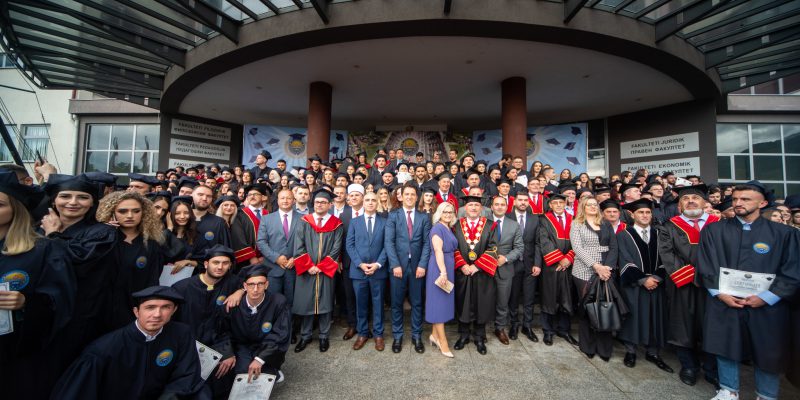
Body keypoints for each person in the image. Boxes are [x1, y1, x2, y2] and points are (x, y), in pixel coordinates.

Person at [698, 181, 800, 400]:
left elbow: (792, 270)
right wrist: (720, 293)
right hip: (725, 300)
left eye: (745, 199)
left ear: (762, 203)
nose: (738, 203)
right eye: (735, 199)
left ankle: (766, 395)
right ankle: (728, 390)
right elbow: (706, 265)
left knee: (768, 349)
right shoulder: (714, 230)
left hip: (767, 304)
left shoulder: (784, 234)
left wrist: (768, 297)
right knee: (725, 344)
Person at [52, 286, 203, 399]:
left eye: (165, 307)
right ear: (136, 312)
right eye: (150, 307)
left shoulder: (181, 334)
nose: (157, 314)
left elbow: (186, 375)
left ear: (174, 310)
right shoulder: (103, 350)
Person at [0, 171, 75, 399]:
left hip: (14, 357)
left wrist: (27, 302)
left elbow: (61, 300)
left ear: (16, 209)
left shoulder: (43, 250)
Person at [657, 184, 721, 387]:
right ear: (679, 206)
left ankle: (711, 369)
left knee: (713, 326)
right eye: (685, 198)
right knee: (682, 325)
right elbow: (667, 254)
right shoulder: (668, 226)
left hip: (714, 286)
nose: (691, 201)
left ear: (704, 202)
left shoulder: (719, 224)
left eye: (695, 198)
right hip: (683, 283)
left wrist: (711, 277)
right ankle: (689, 366)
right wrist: (691, 275)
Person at [172, 245, 240, 397]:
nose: (220, 267)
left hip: (218, 344)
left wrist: (240, 292)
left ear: (230, 266)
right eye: (216, 262)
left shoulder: (232, 283)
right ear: (206, 263)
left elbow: (250, 285)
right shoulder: (182, 288)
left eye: (225, 263)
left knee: (222, 381)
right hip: (188, 346)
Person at [617, 198, 673, 373]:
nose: (645, 215)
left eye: (648, 212)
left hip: (657, 284)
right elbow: (624, 259)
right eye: (641, 212)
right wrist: (643, 280)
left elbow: (667, 258)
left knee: (655, 317)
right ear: (632, 215)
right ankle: (631, 351)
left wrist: (657, 277)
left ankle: (653, 352)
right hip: (634, 285)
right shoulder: (624, 235)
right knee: (633, 316)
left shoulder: (660, 234)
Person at [97, 191, 166, 330]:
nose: (130, 216)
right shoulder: (102, 239)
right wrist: (104, 231)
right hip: (101, 309)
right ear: (112, 213)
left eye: (136, 211)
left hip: (134, 309)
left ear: (144, 213)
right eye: (122, 211)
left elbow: (152, 280)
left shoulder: (151, 244)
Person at [292, 189, 343, 353]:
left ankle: (323, 336)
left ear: (330, 205)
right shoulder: (304, 221)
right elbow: (298, 245)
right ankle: (305, 336)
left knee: (325, 302)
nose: (319, 205)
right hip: (307, 270)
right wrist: (308, 266)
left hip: (325, 270)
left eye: (323, 202)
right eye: (317, 202)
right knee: (306, 302)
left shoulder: (336, 223)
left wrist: (321, 266)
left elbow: (336, 248)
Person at [385, 183, 432, 354]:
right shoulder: (393, 216)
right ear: (401, 196)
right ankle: (397, 336)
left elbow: (427, 244)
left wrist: (422, 265)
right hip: (398, 267)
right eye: (407, 194)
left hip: (417, 267)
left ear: (417, 197)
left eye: (413, 194)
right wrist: (395, 264)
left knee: (417, 303)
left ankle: (416, 336)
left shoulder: (424, 217)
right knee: (396, 303)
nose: (410, 197)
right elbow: (389, 242)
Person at [569, 197, 618, 361]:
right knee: (587, 307)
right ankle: (588, 346)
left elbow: (614, 246)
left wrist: (607, 267)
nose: (592, 207)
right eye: (588, 205)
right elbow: (577, 248)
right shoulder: (577, 224)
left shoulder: (606, 224)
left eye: (594, 205)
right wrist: (596, 266)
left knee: (605, 307)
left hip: (606, 270)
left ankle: (604, 349)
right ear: (583, 207)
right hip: (584, 270)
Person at [452, 194, 499, 355]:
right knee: (463, 303)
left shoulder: (491, 225)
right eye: (470, 205)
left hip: (482, 272)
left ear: (481, 208)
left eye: (476, 205)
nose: (473, 208)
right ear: (465, 208)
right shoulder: (456, 225)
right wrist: (462, 264)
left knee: (482, 304)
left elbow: (494, 248)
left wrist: (477, 266)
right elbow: (452, 247)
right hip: (463, 272)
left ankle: (479, 337)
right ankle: (463, 335)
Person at [230, 266, 290, 385]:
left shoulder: (278, 302)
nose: (256, 289)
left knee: (265, 376)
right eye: (251, 284)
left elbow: (280, 334)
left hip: (267, 346)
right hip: (242, 346)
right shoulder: (235, 303)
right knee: (243, 374)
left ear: (266, 285)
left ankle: (273, 369)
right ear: (245, 286)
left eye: (260, 284)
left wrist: (260, 359)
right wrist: (229, 353)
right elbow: (224, 330)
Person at [345, 192, 388, 351]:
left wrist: (378, 264)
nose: (370, 202)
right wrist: (360, 264)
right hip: (359, 271)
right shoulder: (354, 222)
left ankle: (378, 334)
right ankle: (362, 333)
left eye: (373, 200)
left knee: (378, 304)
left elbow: (387, 245)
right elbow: (349, 245)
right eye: (367, 200)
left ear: (378, 203)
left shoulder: (385, 222)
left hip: (378, 271)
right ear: (363, 203)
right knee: (360, 304)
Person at [257, 188, 300, 339]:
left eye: (289, 198)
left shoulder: (303, 218)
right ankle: (274, 331)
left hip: (294, 268)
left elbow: (308, 242)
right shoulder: (267, 219)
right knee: (273, 301)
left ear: (294, 200)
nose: (285, 201)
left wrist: (296, 258)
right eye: (282, 198)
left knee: (292, 301)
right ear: (278, 200)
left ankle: (290, 331)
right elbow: (261, 242)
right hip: (273, 268)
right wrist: (276, 258)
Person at [537, 192, 578, 346]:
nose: (559, 205)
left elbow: (578, 241)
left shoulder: (574, 219)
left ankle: (564, 329)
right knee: (549, 297)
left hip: (569, 265)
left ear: (565, 204)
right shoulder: (544, 219)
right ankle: (548, 331)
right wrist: (560, 258)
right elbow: (544, 240)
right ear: (550, 205)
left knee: (567, 297)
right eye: (556, 203)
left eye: (561, 202)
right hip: (551, 265)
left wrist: (569, 258)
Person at [507, 192, 542, 342]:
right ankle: (514, 324)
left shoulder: (535, 219)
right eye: (520, 200)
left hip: (530, 264)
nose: (523, 202)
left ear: (528, 202)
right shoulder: (508, 217)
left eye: (525, 200)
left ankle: (527, 326)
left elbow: (538, 243)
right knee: (513, 297)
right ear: (514, 202)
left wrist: (537, 263)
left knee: (529, 297)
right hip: (512, 264)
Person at [489, 196, 524, 345]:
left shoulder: (514, 225)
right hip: (485, 268)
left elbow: (519, 247)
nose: (499, 207)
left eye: (502, 204)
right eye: (496, 204)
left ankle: (500, 328)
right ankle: (480, 328)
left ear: (507, 207)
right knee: (483, 299)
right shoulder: (484, 222)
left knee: (503, 301)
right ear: (491, 207)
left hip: (505, 268)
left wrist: (506, 258)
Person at [426, 202, 458, 358]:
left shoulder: (449, 228)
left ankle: (434, 335)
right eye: (445, 212)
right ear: (439, 213)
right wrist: (443, 272)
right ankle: (443, 342)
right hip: (439, 269)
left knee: (441, 304)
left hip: (447, 267)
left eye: (450, 212)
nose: (448, 214)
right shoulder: (437, 228)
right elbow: (438, 250)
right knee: (438, 305)